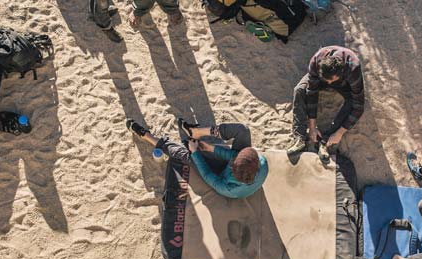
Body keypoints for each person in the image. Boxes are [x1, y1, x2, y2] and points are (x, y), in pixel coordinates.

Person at [126, 118, 268, 199]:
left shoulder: (229, 189)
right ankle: (195, 132)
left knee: (186, 155)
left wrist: (195, 153)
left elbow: (207, 175)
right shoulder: (263, 163)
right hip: (239, 169)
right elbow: (235, 156)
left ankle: (147, 137)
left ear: (233, 168)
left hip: (219, 174)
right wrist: (212, 149)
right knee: (243, 130)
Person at [288, 46, 366, 161]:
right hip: (321, 78)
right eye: (326, 80)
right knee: (299, 90)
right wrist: (312, 126)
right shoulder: (316, 61)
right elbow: (312, 92)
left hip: (343, 84)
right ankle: (299, 137)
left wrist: (340, 133)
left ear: (341, 72)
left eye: (331, 81)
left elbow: (359, 105)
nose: (328, 83)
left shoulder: (353, 67)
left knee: (351, 102)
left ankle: (325, 141)